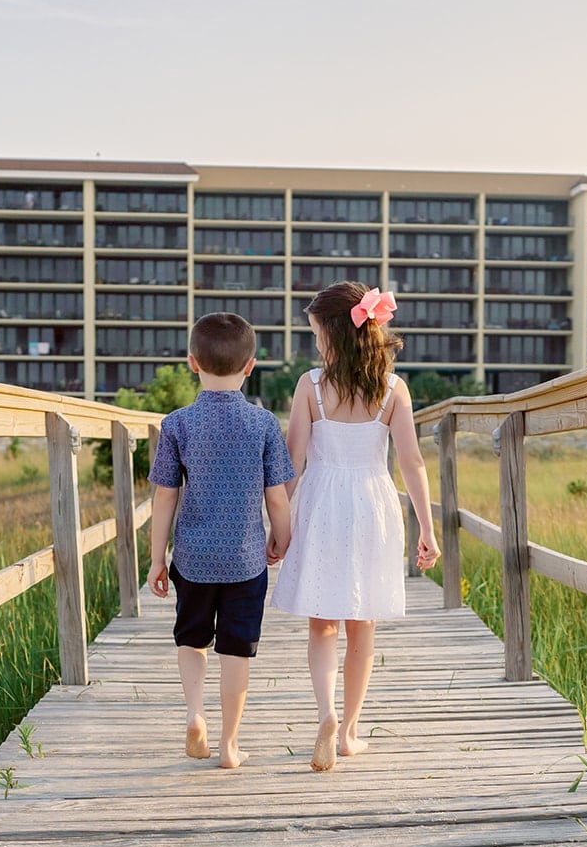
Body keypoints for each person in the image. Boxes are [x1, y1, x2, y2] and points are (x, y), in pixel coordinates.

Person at [271, 283, 439, 771]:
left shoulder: (310, 386)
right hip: (372, 505)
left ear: (334, 336)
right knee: (360, 625)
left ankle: (324, 713)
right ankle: (347, 733)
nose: (316, 344)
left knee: (321, 624)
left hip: (321, 503)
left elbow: (292, 463)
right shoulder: (393, 388)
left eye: (318, 334)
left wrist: (278, 527)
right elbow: (411, 462)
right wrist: (426, 527)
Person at [147, 312, 295, 769]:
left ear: (193, 362)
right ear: (250, 366)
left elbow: (164, 496)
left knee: (191, 640)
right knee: (236, 650)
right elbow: (277, 497)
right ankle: (230, 745)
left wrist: (157, 559)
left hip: (192, 556)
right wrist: (281, 539)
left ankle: (195, 715)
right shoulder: (265, 424)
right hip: (245, 557)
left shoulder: (177, 423)